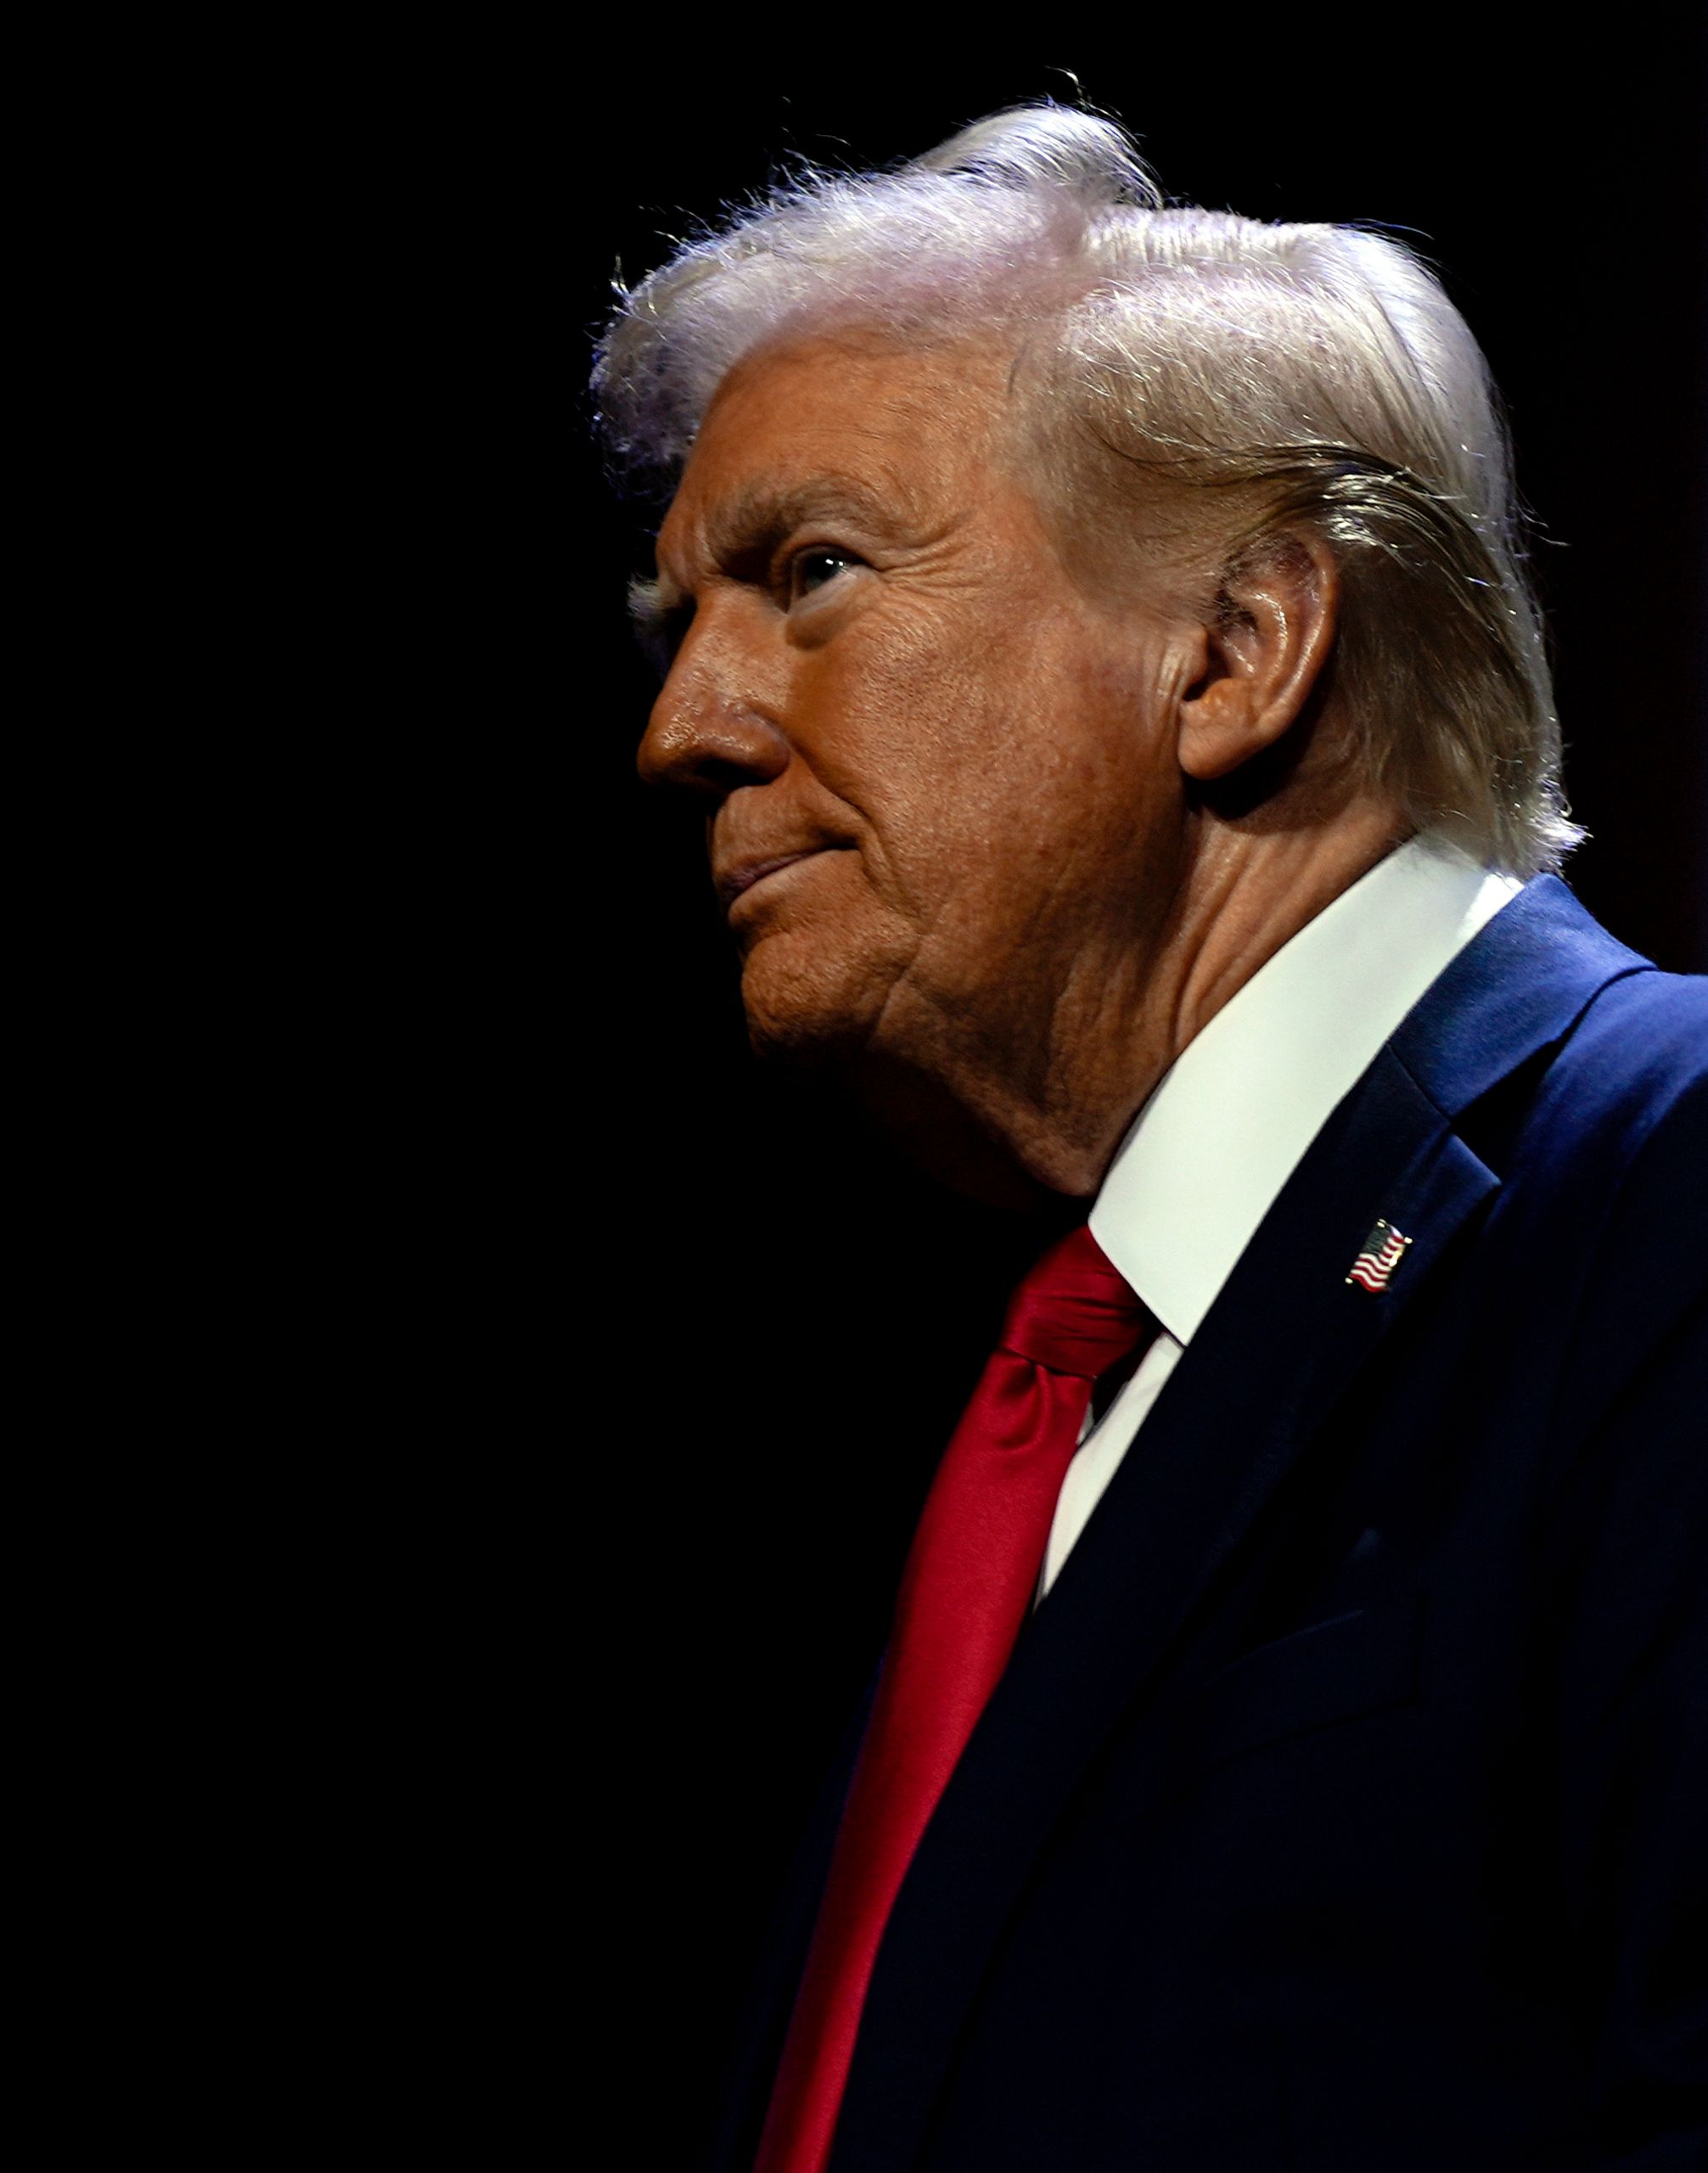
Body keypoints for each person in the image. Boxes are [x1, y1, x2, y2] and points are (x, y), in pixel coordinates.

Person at [596, 107, 1705, 2170]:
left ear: (1239, 645)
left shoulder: (1666, 1183)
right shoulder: (1047, 1386)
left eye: (809, 571)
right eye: (681, 622)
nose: (686, 726)